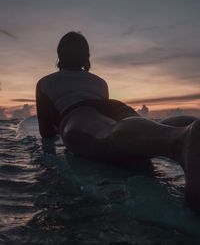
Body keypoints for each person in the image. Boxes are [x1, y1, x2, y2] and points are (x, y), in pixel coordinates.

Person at [36, 31, 200, 211]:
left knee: (107, 134)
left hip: (78, 113)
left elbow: (46, 132)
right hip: (113, 106)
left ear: (60, 55)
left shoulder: (45, 82)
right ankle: (186, 128)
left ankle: (181, 140)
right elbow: (104, 111)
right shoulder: (100, 82)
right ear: (87, 56)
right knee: (155, 129)